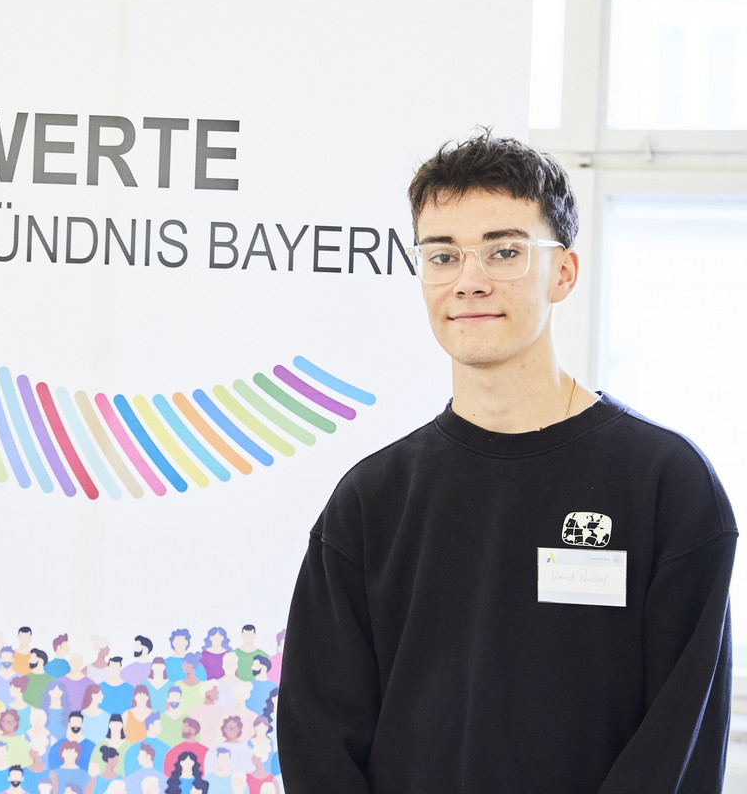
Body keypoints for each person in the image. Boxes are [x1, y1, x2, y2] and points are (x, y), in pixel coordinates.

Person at [279, 131, 738, 792]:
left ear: (563, 273)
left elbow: (678, 742)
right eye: (443, 256)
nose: (470, 282)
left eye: (504, 251)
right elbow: (319, 739)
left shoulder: (666, 483)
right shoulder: (370, 501)